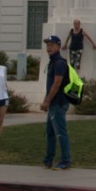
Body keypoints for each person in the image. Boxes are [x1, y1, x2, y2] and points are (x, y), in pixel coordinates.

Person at [39, 35, 72, 170]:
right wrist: (46, 100)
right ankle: (49, 158)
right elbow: (50, 85)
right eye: (47, 45)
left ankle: (65, 160)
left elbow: (57, 83)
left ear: (59, 46)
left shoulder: (59, 63)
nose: (49, 47)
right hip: (53, 103)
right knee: (50, 133)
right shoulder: (52, 62)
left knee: (60, 132)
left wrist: (47, 101)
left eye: (52, 45)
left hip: (58, 103)